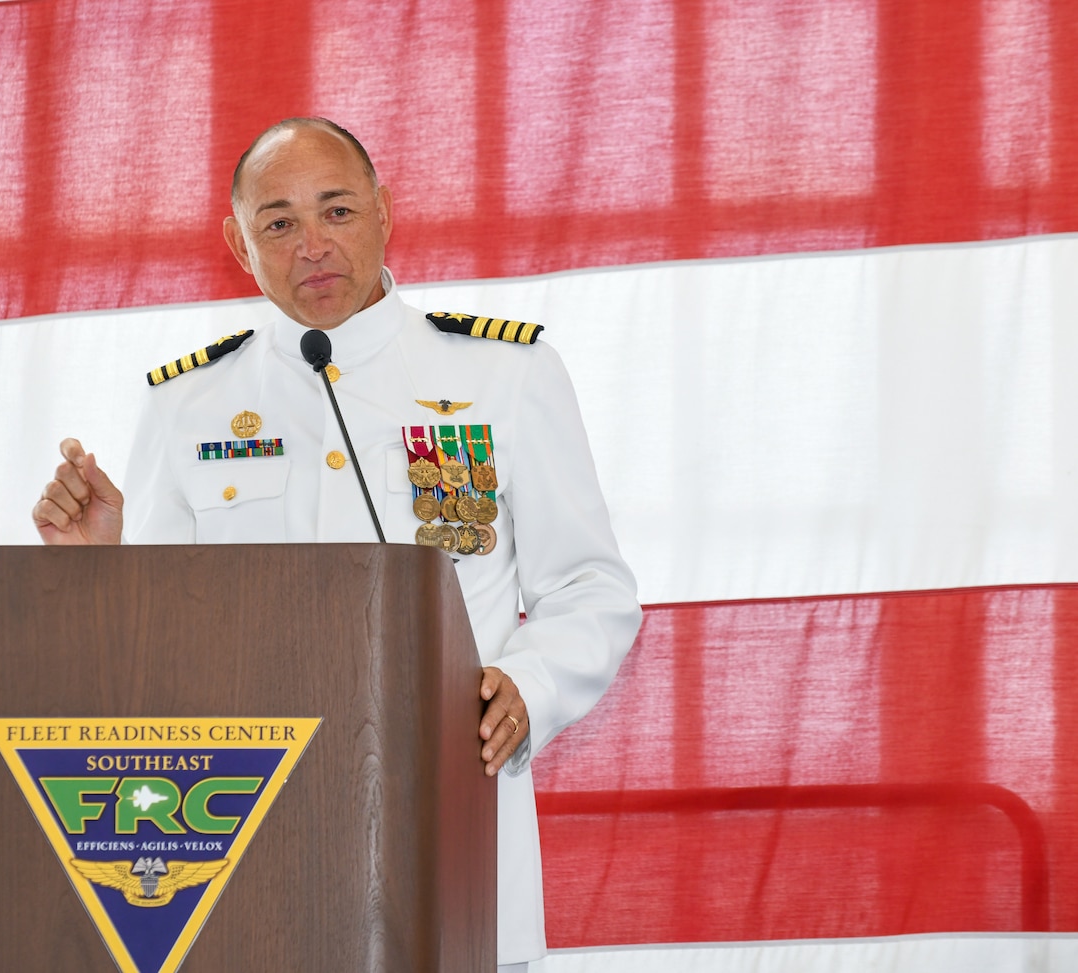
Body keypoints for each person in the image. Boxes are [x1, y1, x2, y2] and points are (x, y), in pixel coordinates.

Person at [32, 117, 642, 971]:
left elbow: (590, 587)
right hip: (250, 842)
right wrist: (103, 572)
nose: (312, 244)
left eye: (338, 211)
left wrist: (528, 686)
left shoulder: (503, 375)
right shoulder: (190, 405)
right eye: (278, 222)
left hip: (448, 828)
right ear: (238, 245)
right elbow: (157, 653)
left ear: (385, 214)